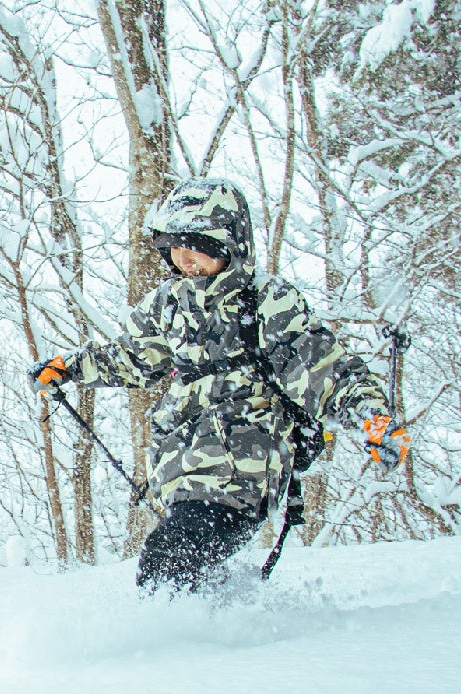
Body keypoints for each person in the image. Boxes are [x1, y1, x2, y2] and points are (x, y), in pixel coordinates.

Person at [29, 178, 408, 594]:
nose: (186, 261)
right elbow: (133, 357)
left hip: (242, 476)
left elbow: (322, 370)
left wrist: (372, 417)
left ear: (230, 246)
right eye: (176, 248)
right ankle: (221, 634)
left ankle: (169, 643)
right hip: (181, 477)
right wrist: (71, 368)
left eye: (197, 248)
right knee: (181, 567)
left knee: (168, 561)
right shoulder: (168, 303)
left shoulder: (265, 302)